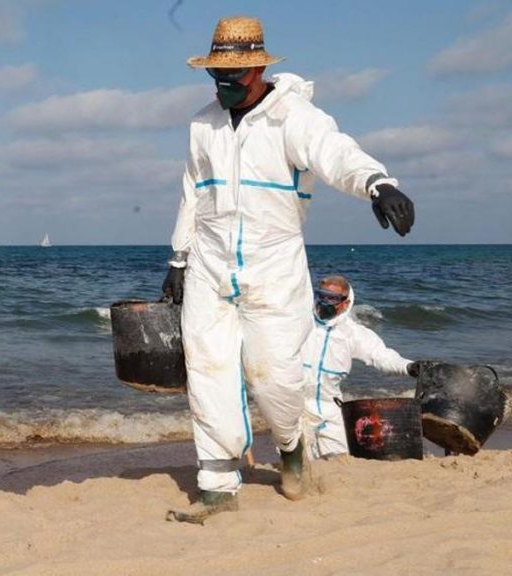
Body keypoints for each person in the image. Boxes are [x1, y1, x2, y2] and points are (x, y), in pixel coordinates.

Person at [163, 16, 415, 524]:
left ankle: (292, 447)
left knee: (275, 379)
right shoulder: (201, 124)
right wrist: (178, 257)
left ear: (257, 67)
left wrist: (376, 183)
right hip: (210, 267)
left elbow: (334, 152)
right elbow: (194, 191)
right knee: (207, 371)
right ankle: (216, 485)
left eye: (232, 76)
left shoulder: (294, 117)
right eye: (215, 75)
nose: (223, 85)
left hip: (274, 267)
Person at [303, 275, 419, 460]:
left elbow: (381, 355)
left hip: (330, 407)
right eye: (321, 295)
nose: (324, 302)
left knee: (339, 460)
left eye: (332, 298)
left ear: (345, 302)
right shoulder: (301, 322)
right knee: (297, 463)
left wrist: (409, 367)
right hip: (296, 406)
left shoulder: (352, 333)